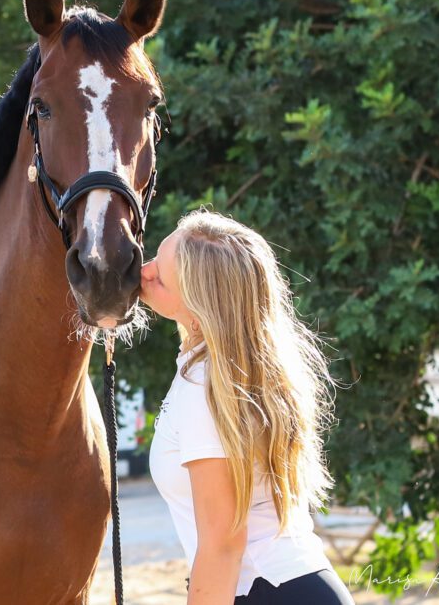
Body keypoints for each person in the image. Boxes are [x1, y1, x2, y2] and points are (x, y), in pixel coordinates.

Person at [140, 207, 355, 604]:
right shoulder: (224, 373)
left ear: (201, 309)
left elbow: (223, 545)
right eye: (155, 256)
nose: (144, 271)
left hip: (267, 592)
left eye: (162, 278)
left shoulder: (207, 387)